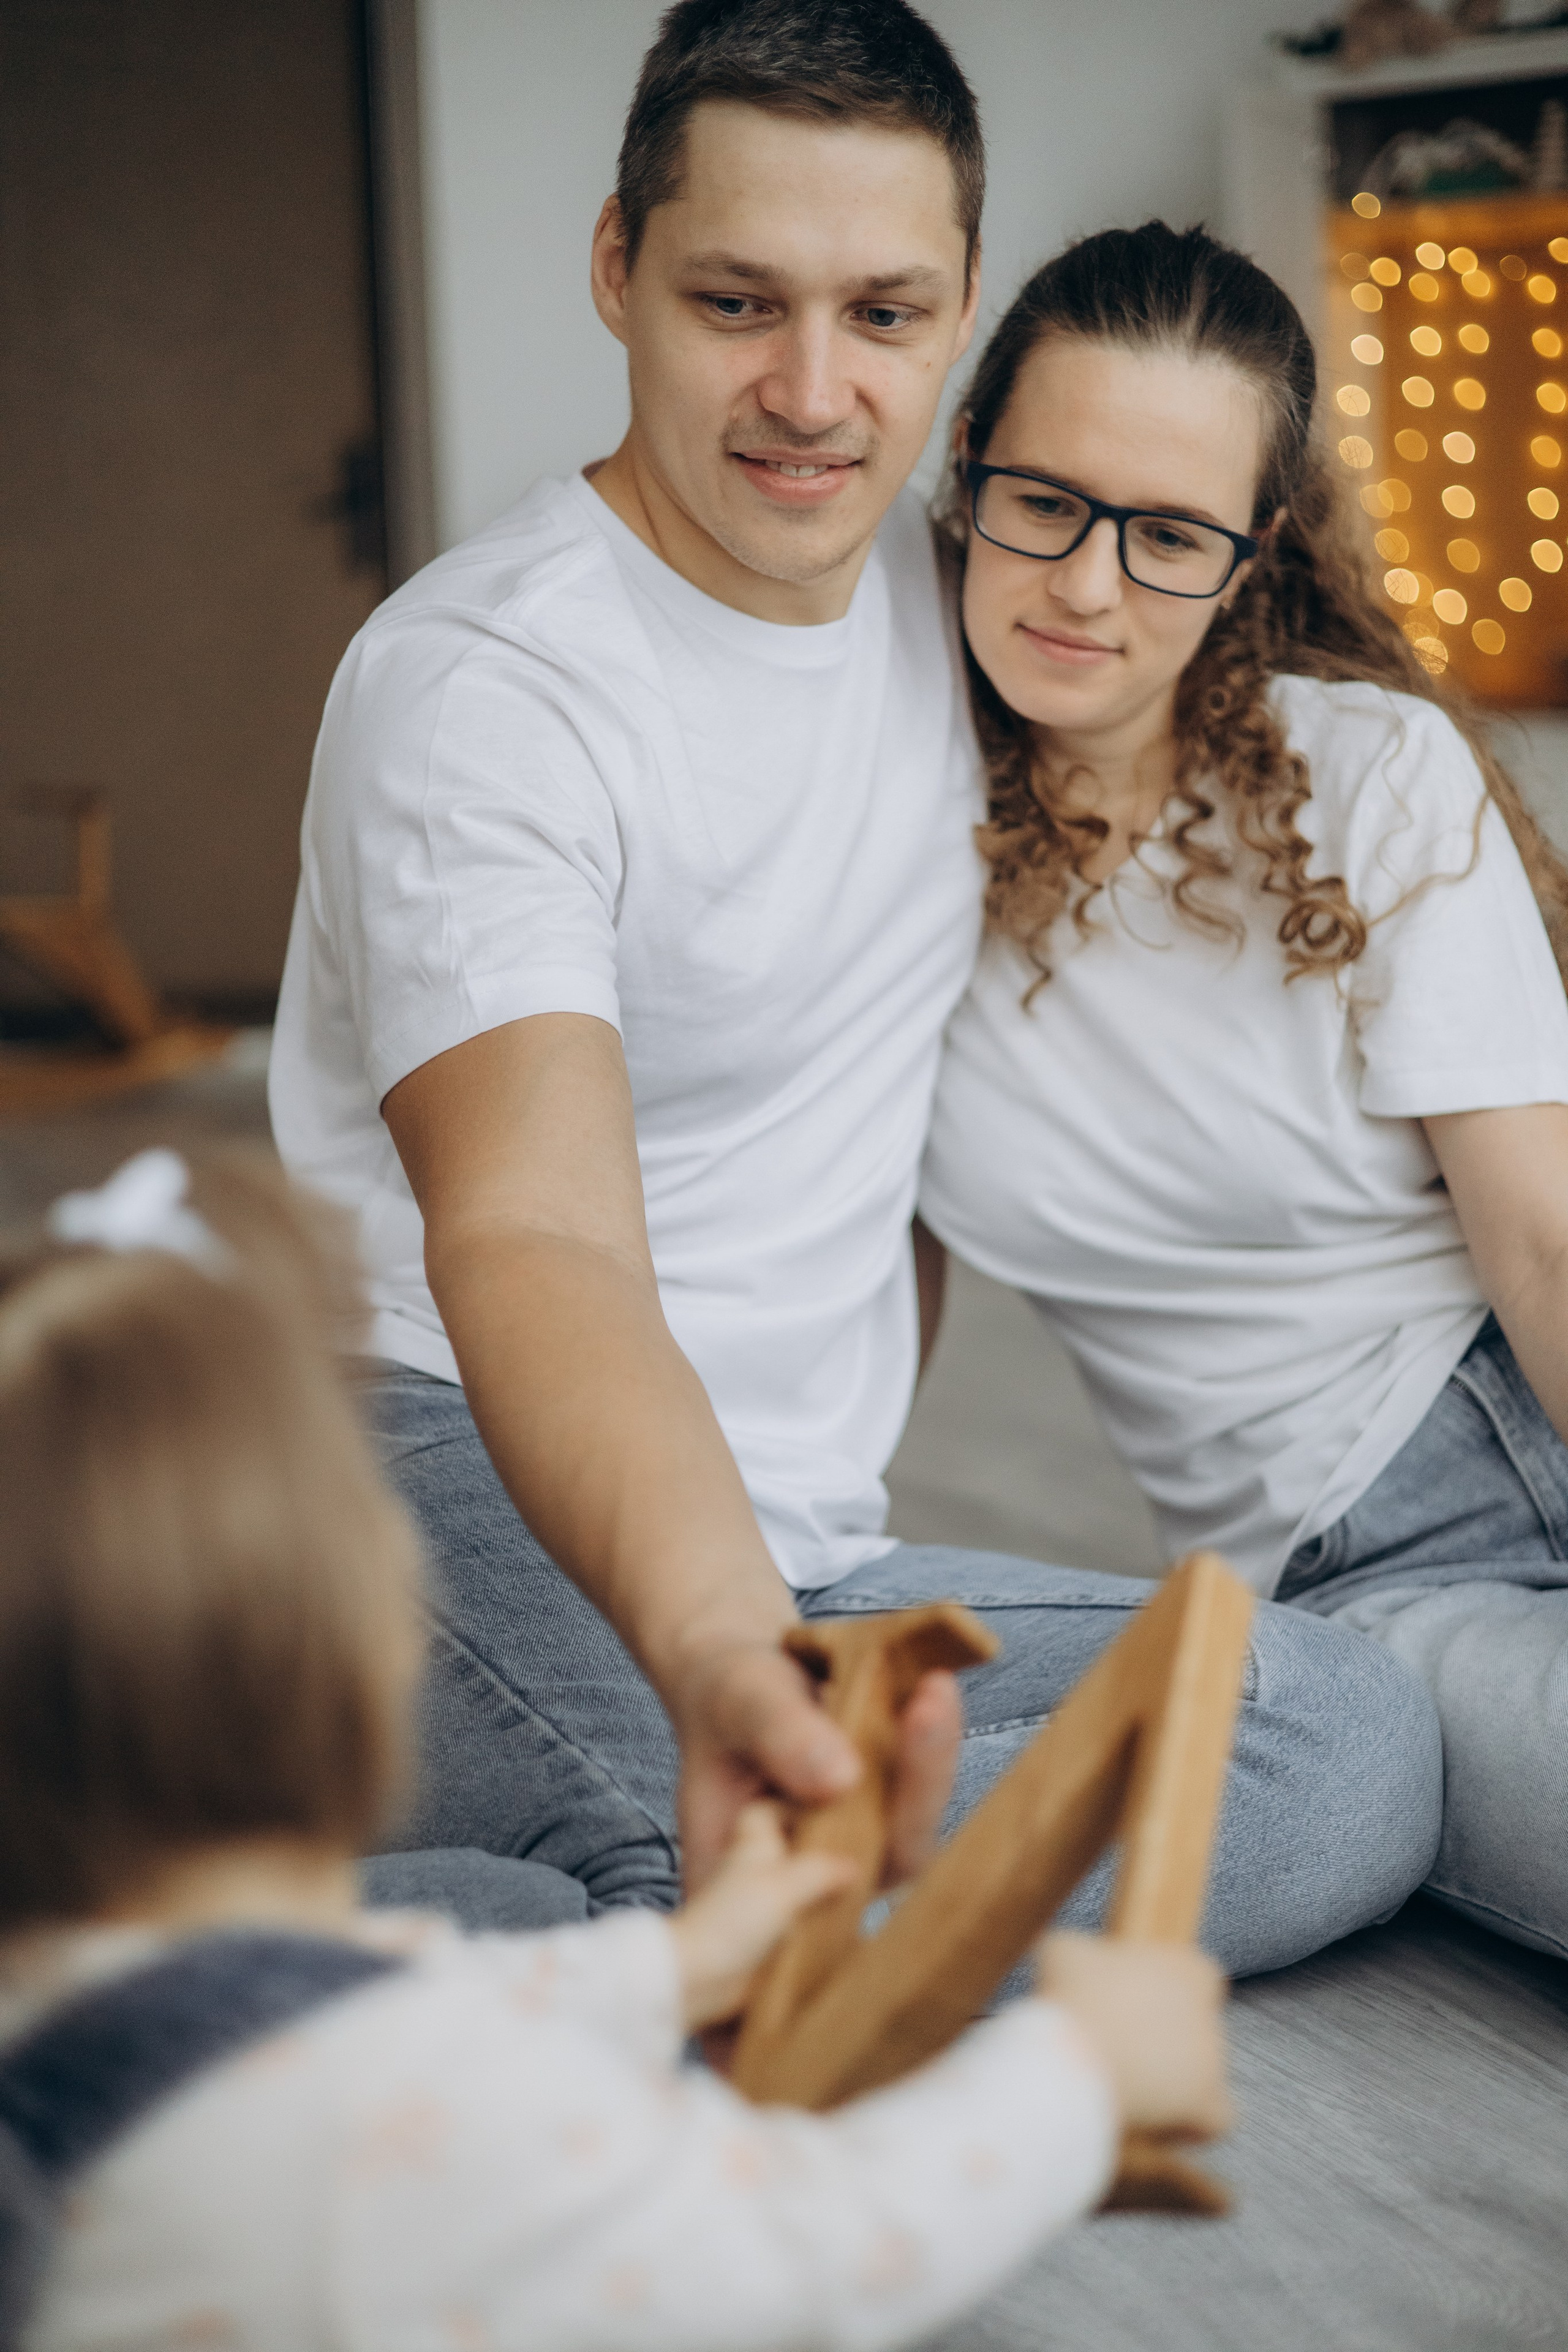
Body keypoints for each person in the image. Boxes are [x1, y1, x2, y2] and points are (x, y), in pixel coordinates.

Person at [268, 0, 1441, 1970]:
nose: (812, 391)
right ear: (615, 267)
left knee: (1331, 1736)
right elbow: (535, 1237)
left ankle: (605, 1922)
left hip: (801, 1541)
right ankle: (504, 1914)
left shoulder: (965, 598)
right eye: (739, 301)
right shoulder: (487, 687)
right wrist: (724, 1649)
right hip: (433, 1461)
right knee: (678, 1843)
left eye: (886, 316)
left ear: (964, 306)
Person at [0, 1148, 1234, 2352]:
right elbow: (803, 2244)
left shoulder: (90, 1999)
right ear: (371, 1659)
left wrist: (674, 1965)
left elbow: (373, 2012)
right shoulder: (404, 2133)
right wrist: (1075, 2075)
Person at [919, 218, 1568, 1962]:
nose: (1087, 586)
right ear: (967, 471)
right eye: (1044, 499)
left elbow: (1543, 1246)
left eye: (1170, 535)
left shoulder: (1366, 772)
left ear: (1252, 550)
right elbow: (859, 1283)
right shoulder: (876, 838)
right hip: (1375, 1578)